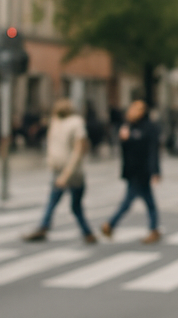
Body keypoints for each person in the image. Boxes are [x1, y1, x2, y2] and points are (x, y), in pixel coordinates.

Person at [24, 97, 95, 244]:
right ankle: (46, 226)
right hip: (58, 169)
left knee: (74, 205)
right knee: (57, 201)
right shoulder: (55, 122)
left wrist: (67, 174)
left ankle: (86, 233)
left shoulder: (76, 123)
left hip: (72, 172)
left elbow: (79, 149)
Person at [100, 99, 162, 244]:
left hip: (143, 171)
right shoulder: (127, 126)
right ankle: (153, 229)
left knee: (131, 201)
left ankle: (110, 225)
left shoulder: (150, 128)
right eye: (134, 108)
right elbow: (125, 152)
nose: (135, 111)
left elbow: (153, 151)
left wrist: (155, 172)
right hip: (131, 171)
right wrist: (124, 140)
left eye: (139, 109)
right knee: (146, 202)